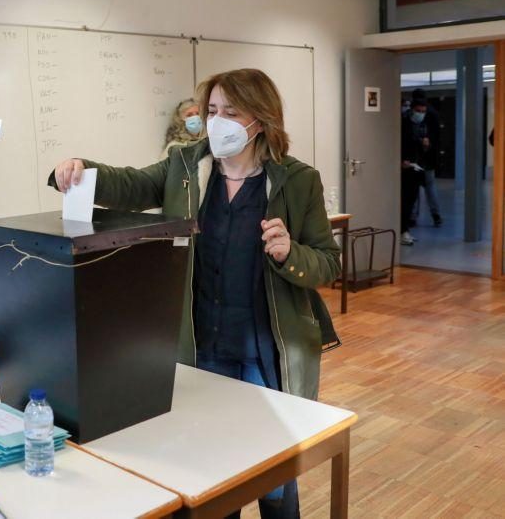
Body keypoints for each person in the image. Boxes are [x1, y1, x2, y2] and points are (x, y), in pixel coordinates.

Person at [53, 68, 339, 519]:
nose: (216, 121)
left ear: (260, 120)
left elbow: (329, 261)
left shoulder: (298, 180)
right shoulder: (186, 166)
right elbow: (130, 185)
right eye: (211, 111)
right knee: (213, 472)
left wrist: (290, 253)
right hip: (202, 344)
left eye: (231, 111)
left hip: (266, 350)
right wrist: (81, 170)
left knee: (275, 479)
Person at [408, 90, 442, 227]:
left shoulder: (412, 114)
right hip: (428, 158)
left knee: (415, 188)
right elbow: (438, 136)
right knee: (430, 187)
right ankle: (436, 215)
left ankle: (413, 216)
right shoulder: (433, 113)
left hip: (418, 158)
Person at [400, 99, 427, 245]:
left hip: (416, 168)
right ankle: (402, 230)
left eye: (423, 112)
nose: (420, 114)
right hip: (406, 169)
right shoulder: (404, 124)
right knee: (404, 202)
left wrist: (425, 144)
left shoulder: (420, 125)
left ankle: (405, 230)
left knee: (411, 202)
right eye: (418, 111)